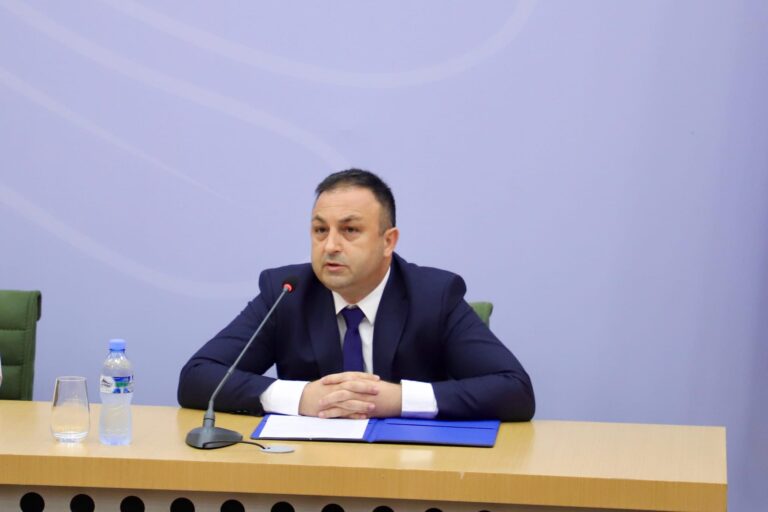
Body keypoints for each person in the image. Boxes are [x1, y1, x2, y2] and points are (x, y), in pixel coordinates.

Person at [178, 169, 535, 421]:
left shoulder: (434, 295)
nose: (330, 245)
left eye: (349, 230)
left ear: (388, 241)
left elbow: (514, 391)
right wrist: (302, 398)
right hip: (308, 474)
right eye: (320, 230)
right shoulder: (287, 292)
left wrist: (397, 400)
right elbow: (197, 377)